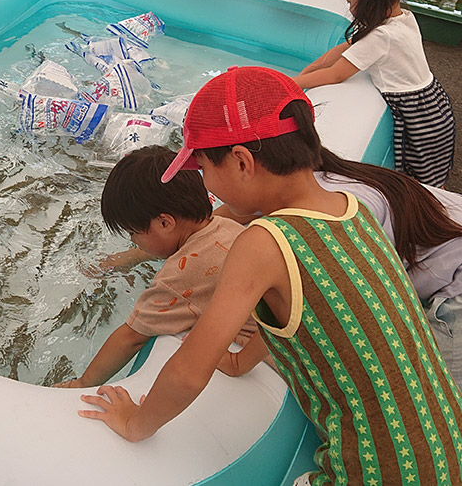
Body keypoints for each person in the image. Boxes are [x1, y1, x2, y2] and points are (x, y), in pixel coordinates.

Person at [77, 65, 462, 486]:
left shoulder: (265, 242)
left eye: (203, 168)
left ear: (241, 162)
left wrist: (135, 423)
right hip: (447, 446)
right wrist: (241, 364)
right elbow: (312, 314)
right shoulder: (349, 210)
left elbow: (189, 371)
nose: (204, 185)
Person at [216, 147, 462, 389]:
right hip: (449, 256)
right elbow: (225, 214)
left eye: (204, 168)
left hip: (455, 291)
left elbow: (303, 308)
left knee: (440, 396)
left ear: (243, 164)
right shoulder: (313, 180)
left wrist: (239, 361)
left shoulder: (321, 225)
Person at [55, 146, 256, 389]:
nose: (132, 240)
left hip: (265, 358)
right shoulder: (224, 225)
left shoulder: (179, 277)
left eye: (133, 232)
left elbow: (132, 337)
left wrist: (83, 382)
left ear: (164, 222)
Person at [294, 0, 455, 186]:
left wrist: (290, 82)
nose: (349, 8)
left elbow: (337, 74)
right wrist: (308, 70)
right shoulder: (402, 18)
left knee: (424, 183)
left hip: (419, 118)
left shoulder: (381, 37)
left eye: (350, 0)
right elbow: (343, 49)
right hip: (434, 106)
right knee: (432, 174)